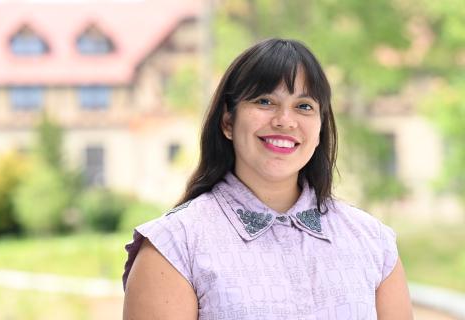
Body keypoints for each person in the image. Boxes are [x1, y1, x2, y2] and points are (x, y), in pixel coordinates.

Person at [122, 38, 413, 320]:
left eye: (304, 106)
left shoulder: (373, 242)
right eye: (265, 101)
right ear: (228, 122)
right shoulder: (175, 246)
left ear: (320, 129)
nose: (285, 120)